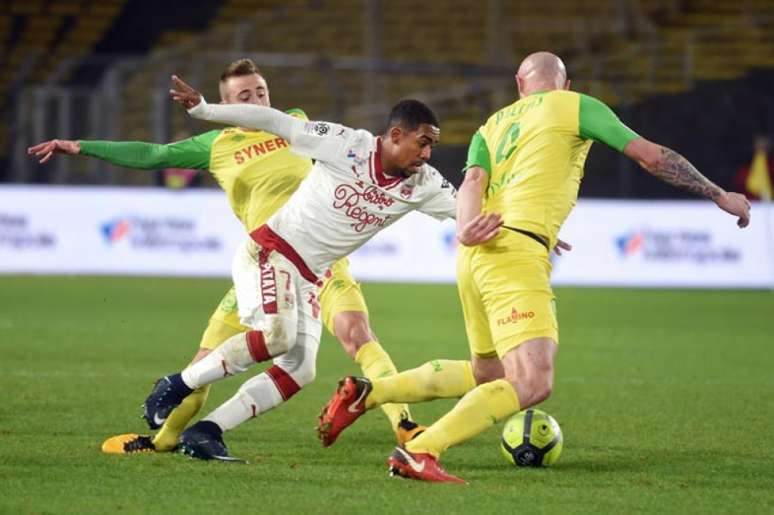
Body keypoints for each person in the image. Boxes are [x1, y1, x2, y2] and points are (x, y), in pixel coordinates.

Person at [316, 51, 752, 484]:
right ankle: (421, 450)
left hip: (475, 251)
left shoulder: (492, 124)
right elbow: (651, 157)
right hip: (515, 256)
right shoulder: (576, 105)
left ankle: (371, 392)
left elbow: (471, 183)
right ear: (565, 85)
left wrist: (467, 229)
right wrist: (718, 193)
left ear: (520, 86)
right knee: (532, 381)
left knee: (489, 373)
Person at [27, 58, 424, 455]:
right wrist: (81, 147)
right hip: (264, 263)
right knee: (203, 368)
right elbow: (153, 155)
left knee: (357, 335)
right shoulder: (216, 146)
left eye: (261, 92)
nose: (257, 100)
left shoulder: (297, 124)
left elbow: (356, 151)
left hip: (323, 262)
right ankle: (163, 441)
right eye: (245, 96)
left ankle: (405, 426)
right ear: (228, 104)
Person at [139, 75, 498, 462]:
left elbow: (468, 209)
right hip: (270, 252)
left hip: (309, 277)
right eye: (423, 143)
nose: (428, 154)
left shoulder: (424, 184)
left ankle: (207, 430)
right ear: (396, 135)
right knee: (277, 336)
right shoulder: (346, 144)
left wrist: (524, 227)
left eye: (433, 146)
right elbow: (277, 121)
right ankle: (176, 384)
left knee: (299, 371)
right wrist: (205, 109)